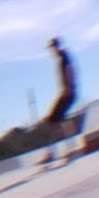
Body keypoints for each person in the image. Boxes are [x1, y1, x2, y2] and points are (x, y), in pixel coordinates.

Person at [40, 37, 78, 167]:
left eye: (52, 49)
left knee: (53, 120)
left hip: (68, 92)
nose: (51, 52)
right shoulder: (61, 58)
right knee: (58, 120)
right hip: (67, 92)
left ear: (56, 47)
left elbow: (71, 70)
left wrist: (69, 87)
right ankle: (67, 149)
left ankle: (62, 151)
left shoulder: (64, 57)